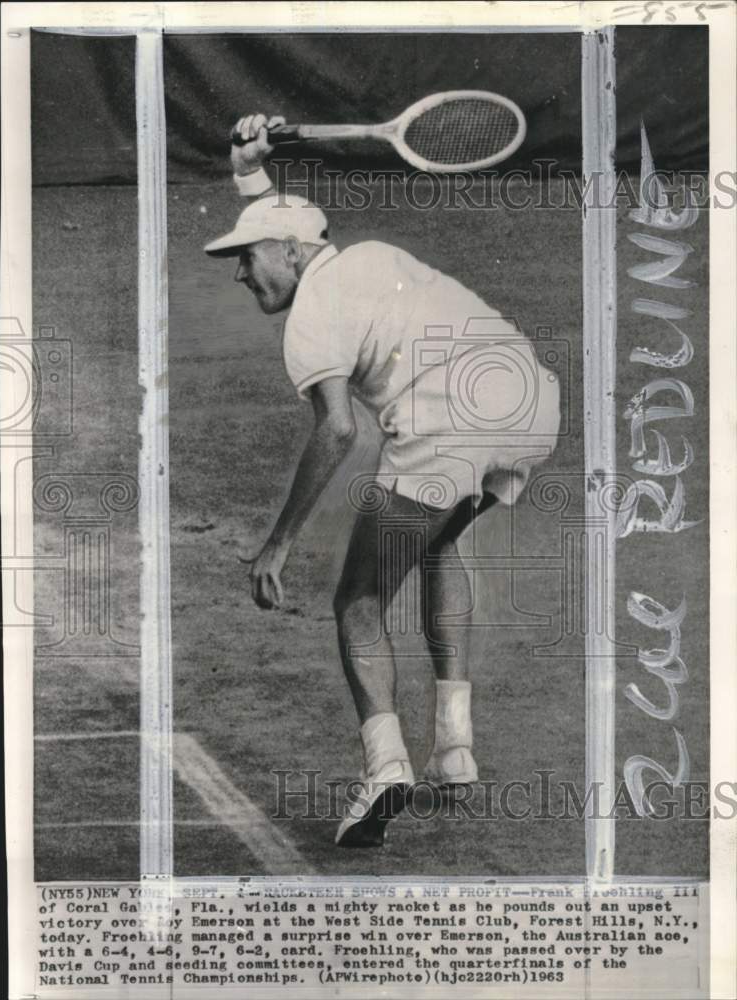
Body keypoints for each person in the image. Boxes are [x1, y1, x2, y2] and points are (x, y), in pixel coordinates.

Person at [205, 113, 560, 847]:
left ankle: (385, 766)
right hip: (529, 398)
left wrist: (279, 543)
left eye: (246, 258)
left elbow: (337, 429)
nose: (240, 273)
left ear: (293, 252)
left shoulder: (308, 320)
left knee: (358, 600)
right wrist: (248, 171)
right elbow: (282, 224)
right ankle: (454, 747)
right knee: (436, 543)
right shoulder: (364, 254)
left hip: (445, 426)